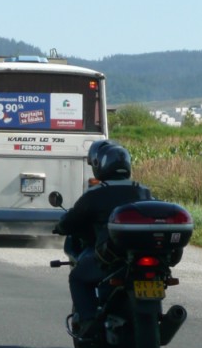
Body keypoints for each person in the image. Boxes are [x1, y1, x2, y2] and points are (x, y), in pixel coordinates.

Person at [54, 144, 152, 338]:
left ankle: (90, 320)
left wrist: (60, 227)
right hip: (142, 253)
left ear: (100, 165)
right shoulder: (143, 190)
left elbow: (72, 220)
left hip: (110, 255)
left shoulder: (95, 194)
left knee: (78, 278)